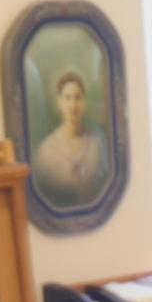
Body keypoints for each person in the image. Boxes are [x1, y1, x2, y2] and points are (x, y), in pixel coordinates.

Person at [33, 69, 109, 209]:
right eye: (67, 98)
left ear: (84, 101)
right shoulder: (46, 150)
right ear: (59, 102)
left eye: (77, 97)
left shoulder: (99, 141)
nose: (73, 106)